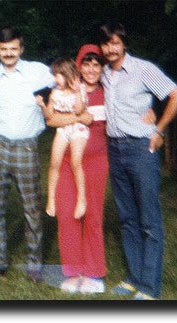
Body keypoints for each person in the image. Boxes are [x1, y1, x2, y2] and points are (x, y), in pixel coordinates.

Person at [98, 21, 177, 300]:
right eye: (105, 44)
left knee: (148, 219)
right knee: (127, 217)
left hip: (140, 149)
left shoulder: (143, 69)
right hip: (115, 148)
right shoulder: (102, 73)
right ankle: (134, 278)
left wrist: (158, 128)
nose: (110, 49)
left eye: (115, 43)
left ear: (124, 43)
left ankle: (150, 286)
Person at [0, 27, 55, 282]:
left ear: (21, 49)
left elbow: (67, 83)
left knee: (31, 208)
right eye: (4, 49)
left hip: (26, 147)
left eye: (13, 48)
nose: (9, 53)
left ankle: (34, 264)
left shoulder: (39, 71)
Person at [38, 45, 108, 294]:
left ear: (102, 68)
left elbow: (133, 108)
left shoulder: (108, 92)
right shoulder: (62, 90)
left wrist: (151, 113)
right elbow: (53, 119)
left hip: (96, 160)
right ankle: (72, 271)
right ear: (78, 68)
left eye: (96, 65)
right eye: (86, 64)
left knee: (92, 216)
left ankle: (93, 272)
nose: (91, 69)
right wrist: (79, 118)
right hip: (67, 160)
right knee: (66, 214)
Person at [37, 58, 89, 220]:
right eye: (54, 75)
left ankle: (82, 199)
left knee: (76, 161)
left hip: (78, 129)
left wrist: (78, 92)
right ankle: (51, 199)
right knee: (54, 163)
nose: (55, 79)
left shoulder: (80, 89)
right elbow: (50, 116)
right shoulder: (55, 93)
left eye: (58, 75)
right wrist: (43, 106)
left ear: (67, 75)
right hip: (63, 129)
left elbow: (80, 111)